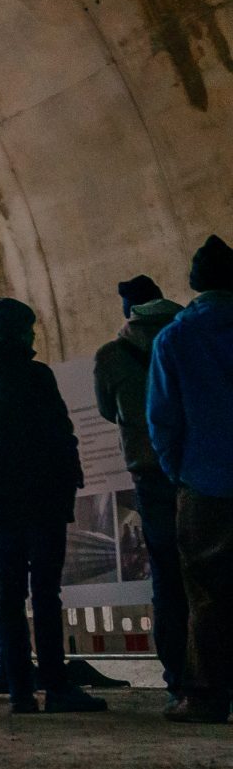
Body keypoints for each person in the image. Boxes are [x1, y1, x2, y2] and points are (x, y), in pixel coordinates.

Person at [0, 297, 106, 714]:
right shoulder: (36, 374)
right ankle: (57, 686)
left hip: (1, 506)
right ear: (23, 332)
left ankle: (20, 691)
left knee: (7, 596)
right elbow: (60, 433)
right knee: (45, 592)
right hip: (42, 501)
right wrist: (67, 482)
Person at [148, 234, 233, 724]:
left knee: (207, 592)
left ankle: (204, 696)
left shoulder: (175, 338)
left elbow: (163, 419)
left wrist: (179, 469)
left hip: (205, 482)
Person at [95, 275, 187, 706]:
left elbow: (106, 410)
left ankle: (179, 678)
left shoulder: (112, 355)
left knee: (167, 576)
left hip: (149, 472)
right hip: (204, 470)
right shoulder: (191, 336)